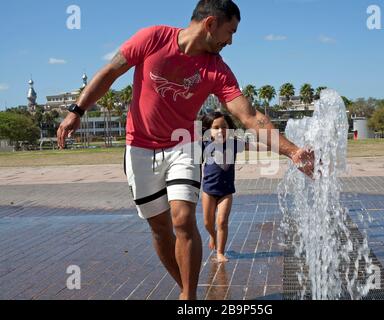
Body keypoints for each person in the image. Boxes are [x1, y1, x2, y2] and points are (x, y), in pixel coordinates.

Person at [57, 0, 314, 300]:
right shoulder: (153, 38)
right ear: (210, 24)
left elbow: (250, 117)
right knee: (160, 229)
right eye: (229, 32)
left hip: (183, 146)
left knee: (182, 220)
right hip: (139, 148)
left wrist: (292, 151)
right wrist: (77, 110)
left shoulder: (217, 70)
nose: (230, 41)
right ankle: (186, 290)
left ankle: (188, 300)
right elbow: (110, 72)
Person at [201, 111, 261, 263]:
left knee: (222, 221)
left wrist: (275, 144)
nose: (221, 130)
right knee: (208, 223)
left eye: (224, 127)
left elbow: (255, 146)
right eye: (216, 127)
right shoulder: (204, 145)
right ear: (208, 130)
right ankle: (213, 235)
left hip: (226, 191)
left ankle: (220, 252)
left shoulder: (234, 144)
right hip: (208, 190)